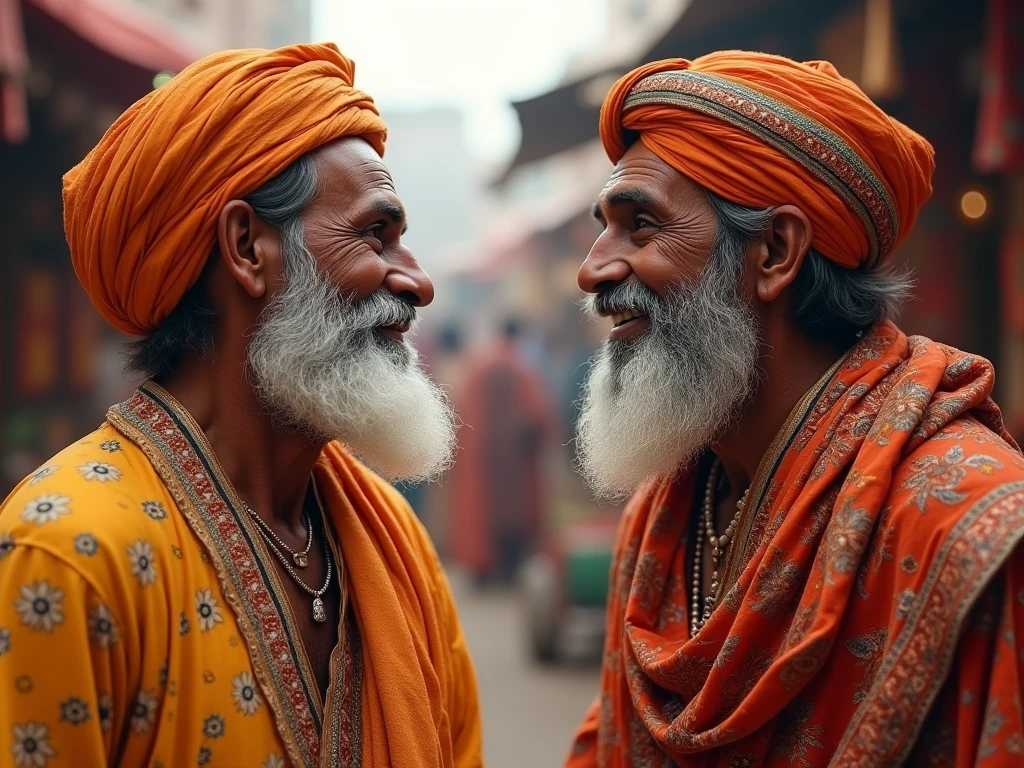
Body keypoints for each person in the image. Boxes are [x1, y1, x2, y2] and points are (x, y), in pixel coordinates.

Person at [0, 44, 482, 768]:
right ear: (247, 247)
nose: (416, 282)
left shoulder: (398, 550)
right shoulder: (68, 552)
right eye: (375, 234)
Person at [568, 52, 1024, 766]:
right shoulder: (663, 515)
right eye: (603, 226)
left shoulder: (970, 532)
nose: (592, 268)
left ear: (775, 252)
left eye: (641, 226)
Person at [450, 319, 553, 583]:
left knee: (482, 513)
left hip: (482, 460)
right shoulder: (521, 368)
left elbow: (462, 416)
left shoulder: (480, 366)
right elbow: (538, 416)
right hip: (514, 467)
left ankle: (484, 568)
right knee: (513, 518)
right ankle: (507, 569)